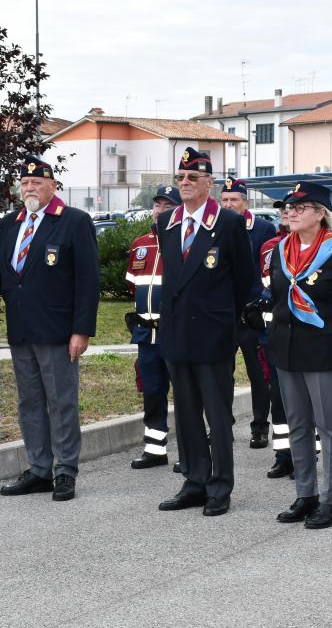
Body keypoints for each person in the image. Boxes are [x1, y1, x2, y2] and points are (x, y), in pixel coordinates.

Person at [0, 157, 99, 502]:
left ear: (53, 187)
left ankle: (65, 470)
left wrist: (81, 331)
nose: (29, 188)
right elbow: (5, 275)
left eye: (37, 183)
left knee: (62, 402)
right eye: (24, 183)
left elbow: (88, 282)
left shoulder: (74, 222)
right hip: (22, 332)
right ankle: (39, 469)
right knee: (30, 404)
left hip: (57, 332)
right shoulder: (12, 224)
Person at [156, 147, 253, 517]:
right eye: (180, 177)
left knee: (217, 413)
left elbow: (244, 281)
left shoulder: (226, 223)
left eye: (193, 178)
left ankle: (219, 485)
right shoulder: (167, 223)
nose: (184, 183)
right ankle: (194, 481)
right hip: (177, 333)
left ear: (208, 184)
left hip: (213, 335)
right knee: (185, 414)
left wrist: (228, 322)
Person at [267, 182, 332, 529]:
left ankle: (331, 500)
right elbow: (278, 299)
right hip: (288, 351)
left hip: (326, 353)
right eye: (289, 208)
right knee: (297, 426)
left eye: (301, 208)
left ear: (320, 214)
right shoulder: (281, 251)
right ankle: (305, 494)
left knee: (331, 429)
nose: (291, 213)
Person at [124, 185, 182, 469]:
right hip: (146, 333)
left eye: (168, 206)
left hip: (177, 332)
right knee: (152, 390)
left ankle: (189, 453)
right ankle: (155, 448)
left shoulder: (186, 242)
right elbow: (133, 284)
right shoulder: (140, 244)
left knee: (185, 394)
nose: (161, 210)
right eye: (158, 205)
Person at [220, 177, 277, 449]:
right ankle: (223, 426)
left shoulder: (263, 229)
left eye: (234, 200)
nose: (229, 205)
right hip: (223, 315)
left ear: (246, 202)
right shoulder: (215, 227)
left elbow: (265, 271)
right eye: (225, 200)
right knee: (221, 374)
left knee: (258, 374)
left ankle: (259, 427)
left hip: (252, 316)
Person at [257, 209, 294, 478]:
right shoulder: (269, 247)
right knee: (278, 397)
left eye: (294, 207)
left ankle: (308, 456)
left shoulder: (322, 245)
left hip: (305, 334)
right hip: (274, 332)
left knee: (305, 399)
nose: (287, 212)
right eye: (285, 208)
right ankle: (283, 456)